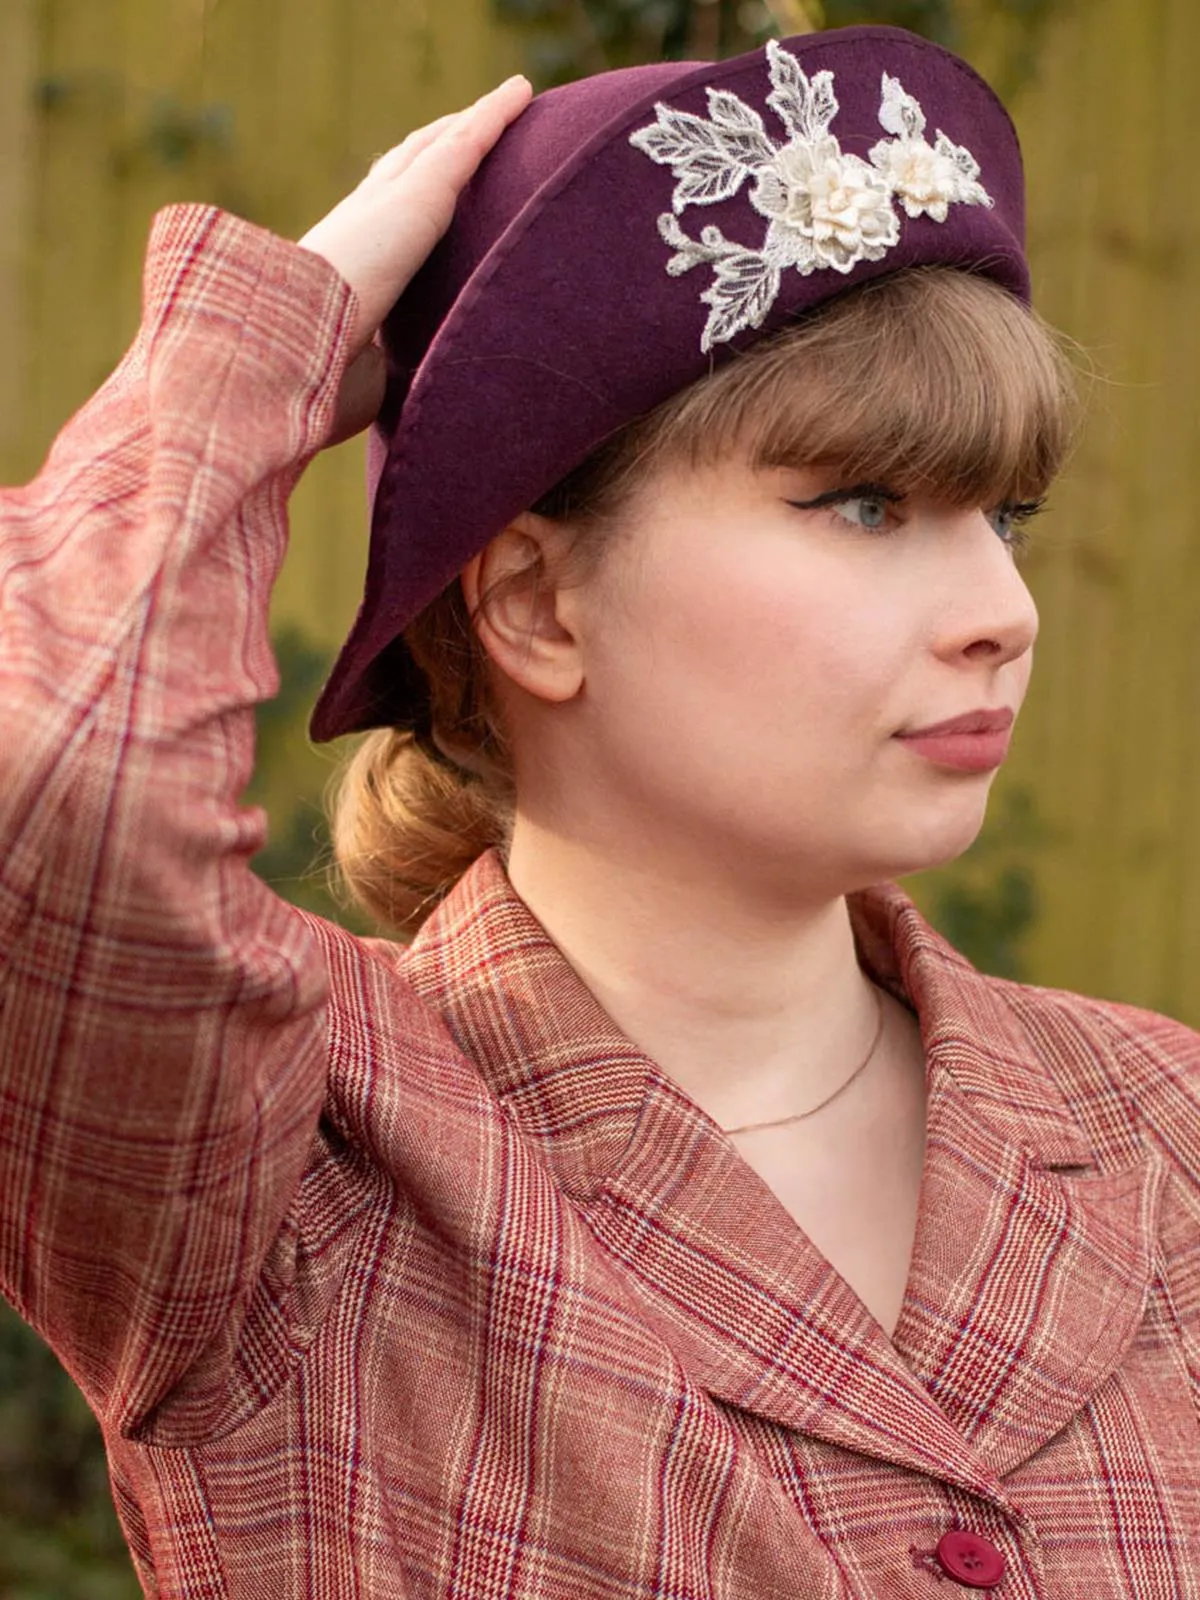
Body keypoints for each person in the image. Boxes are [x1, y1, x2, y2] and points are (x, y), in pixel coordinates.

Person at [2, 22, 1198, 1599]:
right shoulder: (285, 1176)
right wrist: (273, 342)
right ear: (537, 604)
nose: (1001, 610)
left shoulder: (1162, 1127)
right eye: (866, 503)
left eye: (1007, 516)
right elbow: (54, 773)